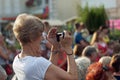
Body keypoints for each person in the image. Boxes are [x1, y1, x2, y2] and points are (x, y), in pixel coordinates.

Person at [12, 13, 78, 80]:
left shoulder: (17, 60)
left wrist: (55, 46)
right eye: (41, 34)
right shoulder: (37, 63)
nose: (43, 38)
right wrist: (69, 49)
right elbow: (73, 78)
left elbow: (46, 72)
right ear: (31, 38)